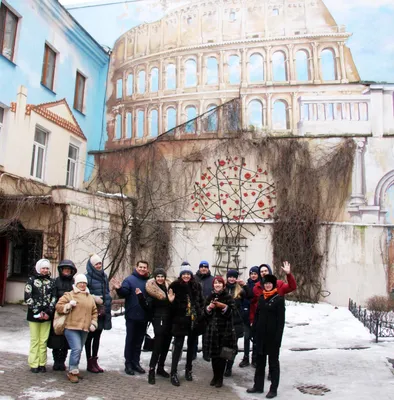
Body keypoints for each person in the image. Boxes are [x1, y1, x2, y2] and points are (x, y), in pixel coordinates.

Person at [247, 274, 285, 399]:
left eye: (270, 283)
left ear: (273, 285)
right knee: (260, 363)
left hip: (272, 338)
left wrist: (278, 338)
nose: (268, 285)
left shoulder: (278, 299)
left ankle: (273, 389)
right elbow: (257, 316)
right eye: (266, 283)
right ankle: (258, 386)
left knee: (273, 364)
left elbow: (281, 322)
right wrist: (253, 331)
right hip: (260, 336)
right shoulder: (262, 298)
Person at [167, 261, 205, 386]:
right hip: (180, 321)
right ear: (181, 274)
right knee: (177, 347)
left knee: (191, 347)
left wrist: (200, 314)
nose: (186, 276)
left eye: (188, 274)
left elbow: (200, 301)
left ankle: (189, 370)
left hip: (193, 321)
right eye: (184, 274)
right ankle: (174, 372)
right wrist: (171, 302)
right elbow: (170, 307)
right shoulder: (175, 285)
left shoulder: (196, 285)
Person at [56, 274, 98, 383]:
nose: (83, 285)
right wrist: (68, 305)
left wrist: (93, 323)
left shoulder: (89, 297)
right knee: (76, 348)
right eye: (80, 283)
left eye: (84, 283)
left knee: (78, 350)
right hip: (71, 327)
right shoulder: (69, 295)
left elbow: (94, 312)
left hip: (84, 329)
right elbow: (58, 306)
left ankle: (75, 369)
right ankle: (72, 371)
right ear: (76, 283)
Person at [112, 260, 150, 376]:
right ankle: (128, 363)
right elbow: (124, 293)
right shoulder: (129, 280)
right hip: (132, 316)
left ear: (147, 269)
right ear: (136, 267)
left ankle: (136, 363)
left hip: (144, 316)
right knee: (130, 340)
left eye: (144, 267)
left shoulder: (149, 282)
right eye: (140, 267)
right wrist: (119, 288)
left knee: (139, 341)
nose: (142, 269)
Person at [136, 267, 172, 385]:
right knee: (158, 345)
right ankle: (152, 370)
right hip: (159, 319)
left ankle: (160, 368)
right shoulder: (152, 290)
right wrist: (140, 297)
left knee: (166, 345)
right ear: (155, 278)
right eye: (158, 276)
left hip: (169, 320)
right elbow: (147, 307)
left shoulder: (169, 288)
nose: (160, 278)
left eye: (162, 276)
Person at [204, 276, 237, 388]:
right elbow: (204, 313)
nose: (217, 285)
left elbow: (233, 312)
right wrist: (209, 307)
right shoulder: (210, 296)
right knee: (214, 356)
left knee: (222, 356)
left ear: (223, 285)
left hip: (225, 330)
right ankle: (214, 376)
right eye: (216, 283)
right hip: (213, 330)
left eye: (220, 283)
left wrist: (224, 307)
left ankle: (220, 378)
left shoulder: (227, 296)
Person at [25, 259, 56, 373]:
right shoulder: (31, 280)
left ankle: (42, 363)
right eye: (43, 268)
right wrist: (37, 311)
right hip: (34, 315)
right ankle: (33, 363)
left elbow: (54, 298)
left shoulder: (51, 282)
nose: (45, 270)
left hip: (47, 316)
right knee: (35, 340)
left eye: (47, 268)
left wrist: (48, 312)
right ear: (38, 268)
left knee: (43, 340)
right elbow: (28, 297)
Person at [47, 259, 77, 371]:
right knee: (56, 338)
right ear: (61, 270)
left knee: (66, 339)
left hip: (69, 313)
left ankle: (62, 361)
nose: (66, 271)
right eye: (65, 269)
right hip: (57, 313)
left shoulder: (73, 282)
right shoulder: (56, 282)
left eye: (69, 270)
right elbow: (53, 296)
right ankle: (56, 361)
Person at [85, 254, 112, 373]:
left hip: (102, 311)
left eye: (100, 263)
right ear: (91, 265)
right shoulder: (86, 277)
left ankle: (95, 361)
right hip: (91, 312)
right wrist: (94, 298)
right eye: (96, 264)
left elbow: (106, 292)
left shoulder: (104, 276)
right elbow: (83, 293)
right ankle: (89, 362)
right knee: (89, 337)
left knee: (97, 337)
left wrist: (107, 302)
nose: (98, 266)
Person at [224, 269, 252, 377]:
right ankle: (223, 364)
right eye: (230, 277)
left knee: (232, 346)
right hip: (224, 321)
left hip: (235, 322)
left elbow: (250, 295)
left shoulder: (239, 290)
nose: (231, 279)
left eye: (233, 277)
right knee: (224, 344)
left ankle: (229, 367)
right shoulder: (223, 288)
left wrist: (244, 285)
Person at [239, 266, 260, 368]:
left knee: (256, 338)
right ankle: (246, 357)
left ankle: (254, 358)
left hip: (257, 316)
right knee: (247, 337)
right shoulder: (246, 285)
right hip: (247, 316)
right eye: (251, 274)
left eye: (255, 274)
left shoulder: (261, 286)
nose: (253, 275)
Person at [194, 260, 214, 361]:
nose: (203, 269)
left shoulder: (213, 279)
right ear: (199, 268)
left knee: (207, 333)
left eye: (205, 267)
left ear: (208, 268)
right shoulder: (193, 278)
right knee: (194, 332)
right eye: (202, 267)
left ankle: (206, 353)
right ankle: (193, 352)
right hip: (196, 309)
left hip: (209, 310)